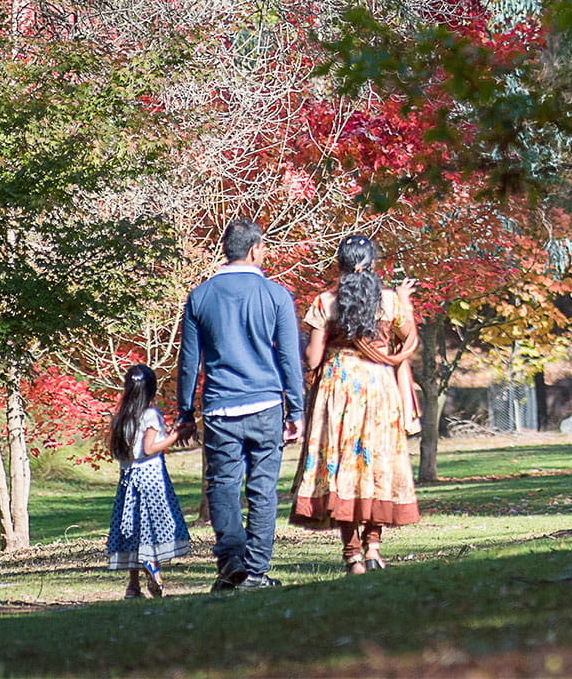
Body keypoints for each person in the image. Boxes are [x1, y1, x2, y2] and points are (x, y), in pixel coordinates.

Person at [176, 219, 306, 592]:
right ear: (254, 251)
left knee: (222, 485)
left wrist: (186, 413)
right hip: (265, 405)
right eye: (264, 248)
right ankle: (255, 572)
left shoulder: (200, 296)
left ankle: (230, 560)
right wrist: (295, 410)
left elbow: (189, 361)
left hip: (220, 407)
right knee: (263, 489)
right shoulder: (276, 295)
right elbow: (288, 360)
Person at [290, 234, 421, 575]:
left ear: (339, 265)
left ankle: (352, 555)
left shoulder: (324, 303)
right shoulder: (390, 302)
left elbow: (314, 358)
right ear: (373, 264)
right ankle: (374, 547)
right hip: (379, 387)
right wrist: (404, 302)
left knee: (340, 466)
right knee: (375, 464)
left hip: (338, 389)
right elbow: (408, 339)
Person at [103, 365, 189, 599]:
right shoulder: (150, 414)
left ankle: (133, 586)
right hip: (151, 478)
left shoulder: (121, 417)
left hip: (127, 479)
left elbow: (120, 449)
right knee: (151, 527)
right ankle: (152, 565)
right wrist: (174, 436)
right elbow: (149, 448)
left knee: (131, 529)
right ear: (151, 389)